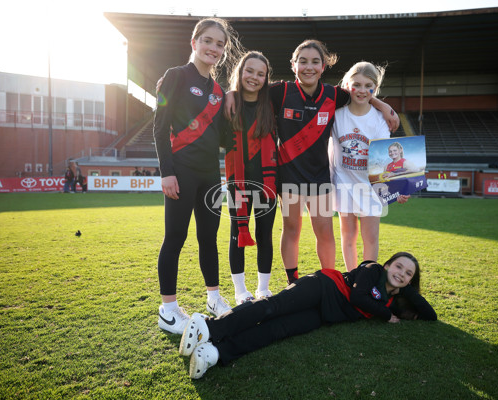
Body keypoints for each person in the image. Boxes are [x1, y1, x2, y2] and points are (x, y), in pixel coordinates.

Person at [226, 39, 400, 284]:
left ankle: (330, 281)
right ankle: (292, 281)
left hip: (319, 180)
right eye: (303, 61)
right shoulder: (281, 92)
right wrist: (231, 93)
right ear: (293, 65)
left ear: (323, 67)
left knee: (325, 234)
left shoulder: (333, 95)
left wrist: (381, 104)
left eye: (315, 62)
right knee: (292, 231)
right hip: (288, 179)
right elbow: (252, 89)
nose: (309, 66)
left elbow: (360, 93)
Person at [178, 251, 436, 379]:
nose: (401, 273)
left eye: (408, 273)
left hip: (325, 315)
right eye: (399, 266)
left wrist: (409, 290)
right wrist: (386, 315)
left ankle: (217, 352)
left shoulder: (393, 299)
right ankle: (209, 327)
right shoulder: (373, 269)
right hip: (322, 286)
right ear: (388, 264)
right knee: (271, 307)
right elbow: (358, 298)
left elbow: (430, 316)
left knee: (277, 330)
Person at [153, 17, 244, 334]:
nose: (214, 48)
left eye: (220, 44)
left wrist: (237, 108)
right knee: (174, 239)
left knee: (209, 239)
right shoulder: (176, 76)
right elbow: (159, 127)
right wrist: (167, 173)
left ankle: (213, 299)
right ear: (194, 42)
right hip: (180, 172)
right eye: (208, 40)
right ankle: (168, 310)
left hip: (210, 176)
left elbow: (222, 139)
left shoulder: (218, 91)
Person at [329, 62, 410, 272]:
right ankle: (350, 277)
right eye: (357, 84)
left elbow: (384, 157)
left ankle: (364, 281)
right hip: (344, 184)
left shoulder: (379, 120)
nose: (362, 90)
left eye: (369, 86)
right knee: (348, 237)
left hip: (371, 188)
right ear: (347, 84)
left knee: (370, 239)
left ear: (375, 89)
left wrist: (397, 188)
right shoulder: (336, 114)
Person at [223, 51, 277, 304]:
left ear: (266, 78)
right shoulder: (228, 104)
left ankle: (263, 289)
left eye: (260, 73)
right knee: (237, 234)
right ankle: (240, 291)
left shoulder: (273, 102)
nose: (254, 77)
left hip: (268, 183)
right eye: (250, 71)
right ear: (240, 72)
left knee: (265, 234)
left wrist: (380, 103)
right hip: (237, 182)